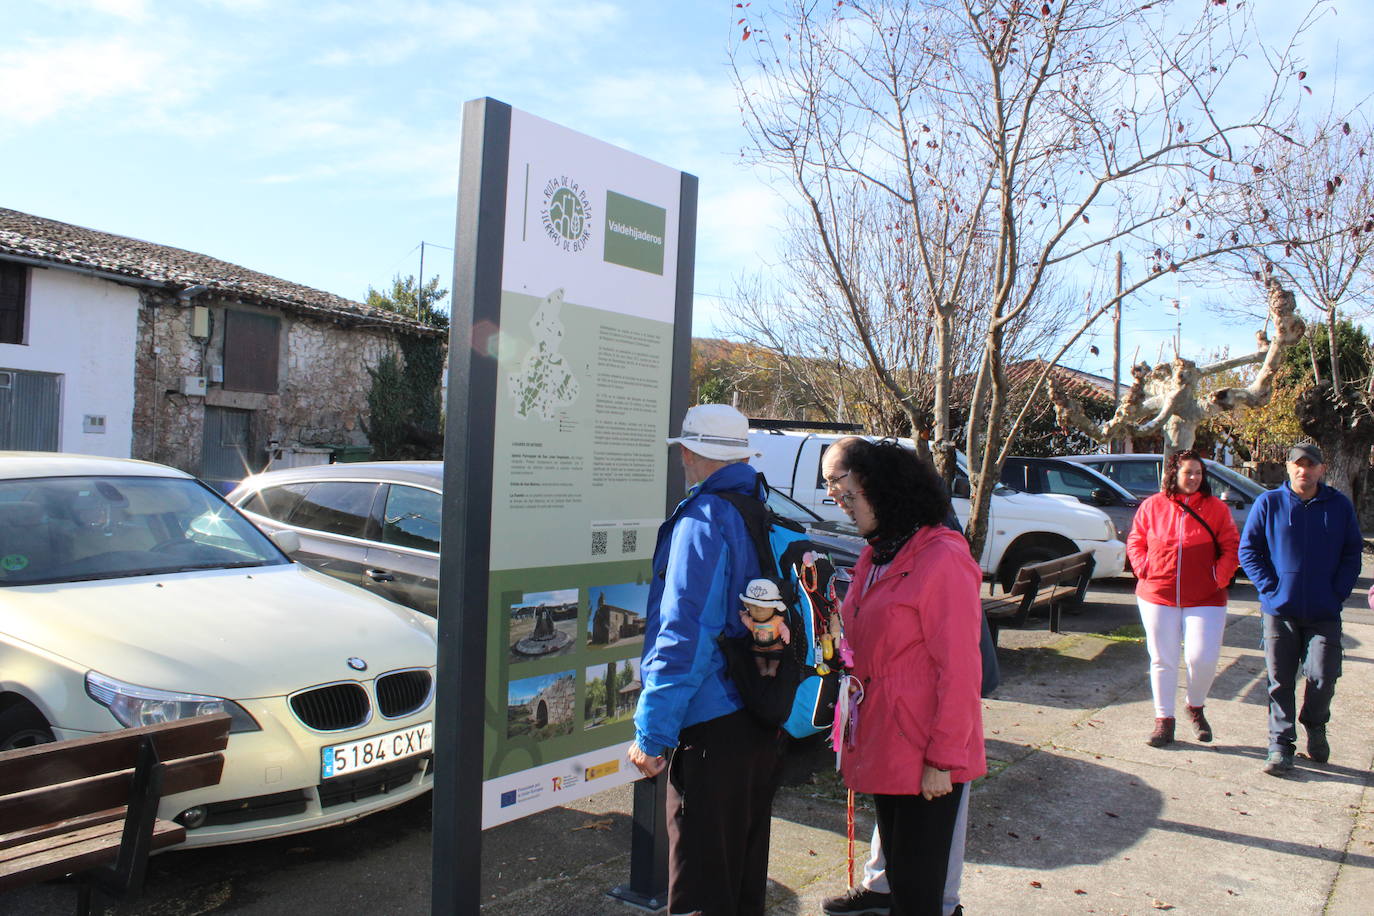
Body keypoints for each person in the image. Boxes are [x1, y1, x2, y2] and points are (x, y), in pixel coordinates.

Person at [627, 404, 783, 916]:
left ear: (690, 453)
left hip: (711, 728)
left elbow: (684, 636)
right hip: (756, 714)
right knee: (740, 882)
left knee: (698, 890)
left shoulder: (704, 521)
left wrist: (653, 733)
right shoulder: (757, 509)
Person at [821, 438, 985, 916]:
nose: (842, 505)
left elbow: (959, 669)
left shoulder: (941, 557)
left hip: (926, 750)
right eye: (838, 496)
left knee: (919, 894)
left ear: (886, 490)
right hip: (886, 740)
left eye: (850, 495)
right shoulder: (879, 554)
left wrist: (943, 758)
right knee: (905, 887)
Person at [1239, 442, 1362, 775]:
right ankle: (1280, 746)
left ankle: (1315, 721)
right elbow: (1249, 551)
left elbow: (1352, 553)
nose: (1303, 470)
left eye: (1310, 465)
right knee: (1280, 681)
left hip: (1324, 611)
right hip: (1280, 610)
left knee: (1323, 676)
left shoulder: (1338, 506)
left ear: (1321, 469)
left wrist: (1338, 592)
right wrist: (1271, 588)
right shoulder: (1269, 503)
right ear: (1288, 468)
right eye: (1298, 464)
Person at [1124, 449, 1240, 747]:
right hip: (1157, 593)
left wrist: (1219, 576)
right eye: (1188, 472)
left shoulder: (1216, 508)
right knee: (1162, 658)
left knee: (1202, 658)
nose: (1193, 478)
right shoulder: (1153, 506)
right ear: (1174, 473)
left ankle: (1195, 705)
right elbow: (1136, 539)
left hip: (1206, 596)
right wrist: (1144, 568)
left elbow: (1231, 546)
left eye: (1198, 473)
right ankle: (1164, 720)